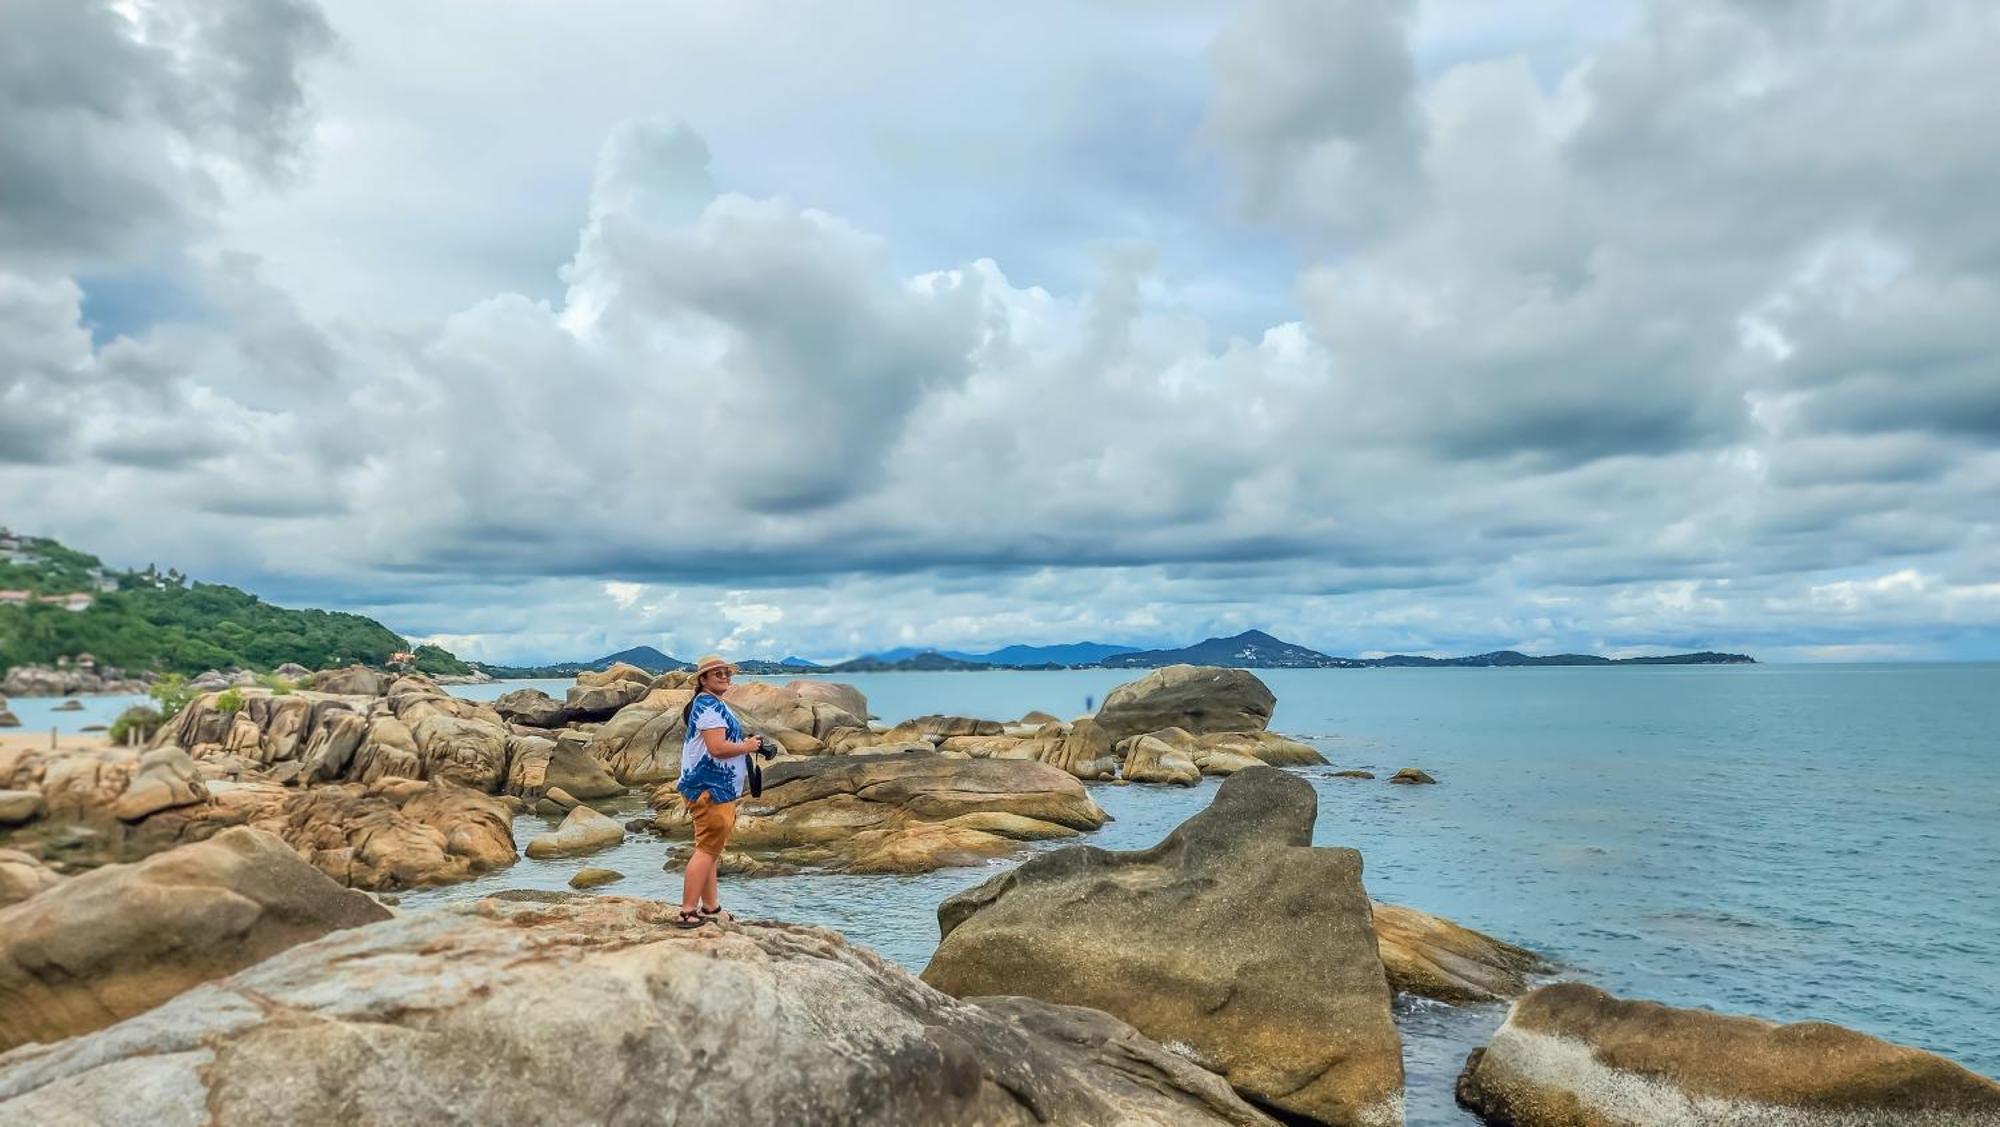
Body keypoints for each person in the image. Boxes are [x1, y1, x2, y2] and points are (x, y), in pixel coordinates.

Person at [673, 654, 773, 928]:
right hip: (710, 788)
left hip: (714, 787)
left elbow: (718, 743)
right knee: (706, 850)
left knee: (709, 849)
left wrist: (745, 743)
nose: (725, 677)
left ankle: (709, 906)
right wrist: (749, 746)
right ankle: (687, 911)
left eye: (727, 673)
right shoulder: (707, 706)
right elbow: (716, 748)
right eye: (717, 674)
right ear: (703, 679)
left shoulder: (712, 704)